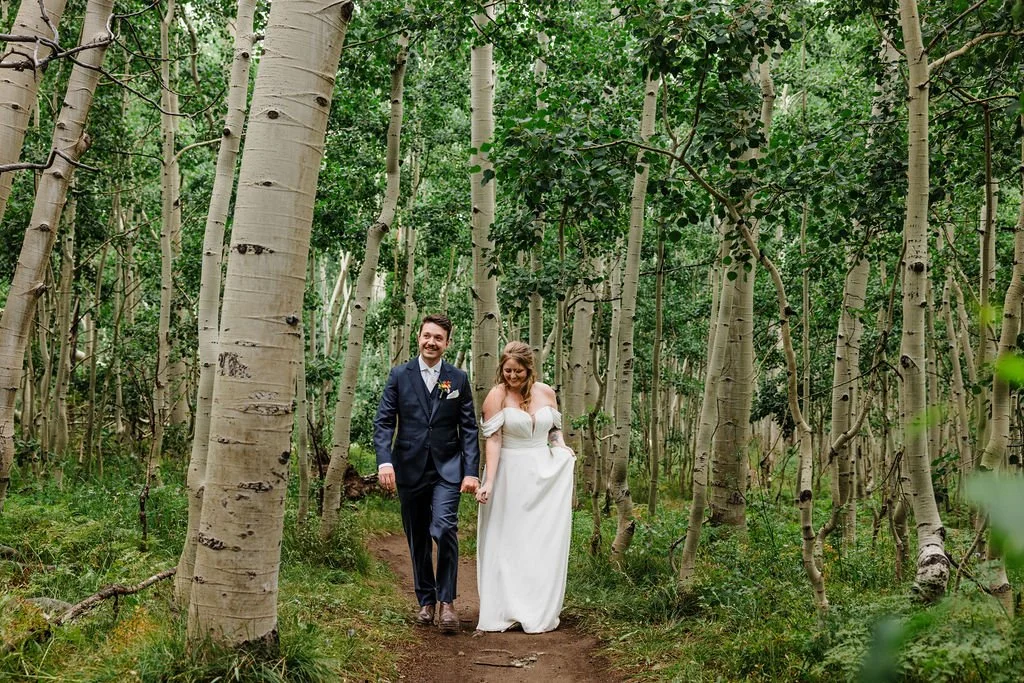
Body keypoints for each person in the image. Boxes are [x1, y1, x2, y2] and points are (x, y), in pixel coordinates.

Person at [374, 314, 480, 633]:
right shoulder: (399, 375)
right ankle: (426, 601)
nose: (431, 342)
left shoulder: (457, 379)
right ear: (418, 338)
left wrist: (471, 472)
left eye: (438, 338)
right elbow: (384, 422)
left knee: (444, 527)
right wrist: (384, 461)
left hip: (448, 468)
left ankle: (447, 602)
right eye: (427, 336)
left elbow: (469, 428)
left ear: (447, 343)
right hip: (408, 467)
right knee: (417, 536)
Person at [474, 341, 576, 633]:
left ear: (529, 369)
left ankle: (536, 606)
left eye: (518, 371)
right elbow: (493, 440)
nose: (512, 376)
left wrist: (562, 449)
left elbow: (554, 431)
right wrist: (490, 481)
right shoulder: (496, 396)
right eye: (507, 370)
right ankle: (506, 608)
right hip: (509, 474)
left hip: (542, 473)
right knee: (508, 540)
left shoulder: (546, 393)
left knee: (538, 542)